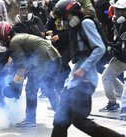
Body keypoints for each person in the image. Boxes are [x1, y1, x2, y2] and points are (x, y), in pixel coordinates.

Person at [51, 0, 125, 136]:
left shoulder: (86, 23)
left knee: (79, 120)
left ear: (73, 13)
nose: (65, 21)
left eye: (65, 17)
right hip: (73, 80)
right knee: (59, 121)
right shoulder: (77, 26)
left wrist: (83, 69)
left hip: (84, 80)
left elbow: (99, 48)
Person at [0, 21, 61, 127]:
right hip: (54, 58)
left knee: (30, 89)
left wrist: (15, 83)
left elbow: (21, 64)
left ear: (3, 36)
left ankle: (30, 119)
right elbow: (28, 61)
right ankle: (63, 115)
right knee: (49, 89)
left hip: (45, 60)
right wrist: (19, 77)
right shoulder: (19, 38)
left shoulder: (14, 42)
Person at [99, 0, 126, 112]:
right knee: (110, 76)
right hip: (121, 56)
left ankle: (112, 104)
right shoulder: (122, 23)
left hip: (122, 58)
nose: (118, 12)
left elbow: (122, 44)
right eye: (117, 10)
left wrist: (110, 46)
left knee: (106, 77)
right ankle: (123, 93)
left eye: (121, 10)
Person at [44, 0, 71, 95]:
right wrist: (47, 31)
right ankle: (66, 83)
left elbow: (72, 32)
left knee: (61, 65)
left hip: (69, 45)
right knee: (59, 65)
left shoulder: (68, 15)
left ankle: (60, 89)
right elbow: (46, 26)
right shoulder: (54, 16)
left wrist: (59, 36)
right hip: (57, 46)